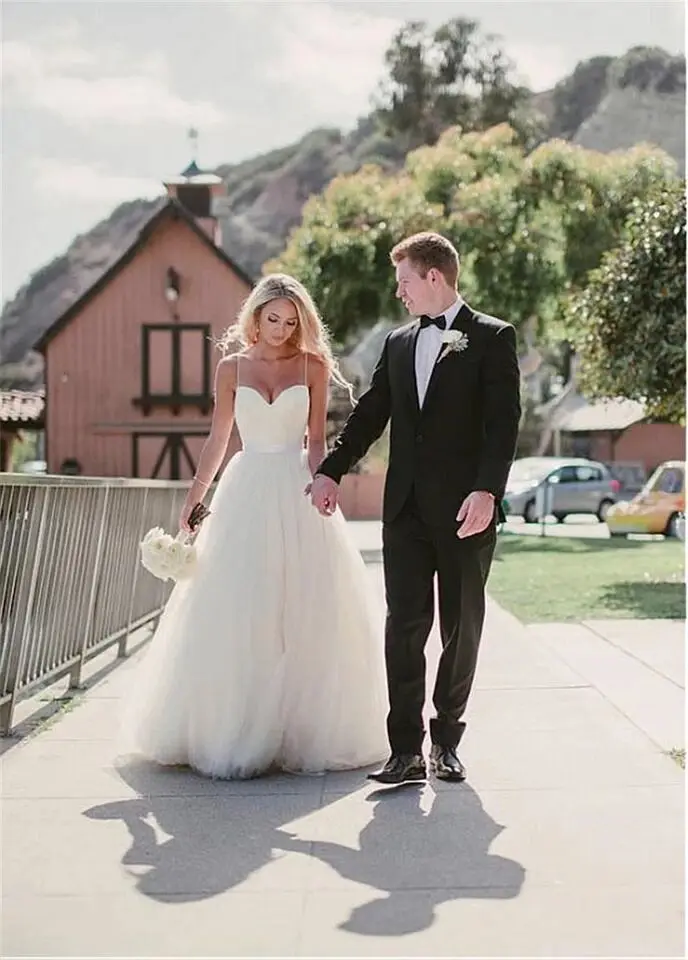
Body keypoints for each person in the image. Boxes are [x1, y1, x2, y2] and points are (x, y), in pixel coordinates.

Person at [122, 274, 387, 779]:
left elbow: (314, 441)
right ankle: (234, 726)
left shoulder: (313, 365)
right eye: (273, 320)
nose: (281, 330)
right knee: (241, 606)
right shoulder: (231, 367)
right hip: (244, 491)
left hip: (296, 487)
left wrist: (321, 481)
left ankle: (293, 730)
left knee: (301, 608)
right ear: (256, 316)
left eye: (291, 323)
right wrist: (194, 498)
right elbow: (219, 438)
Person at [310, 232, 521, 785]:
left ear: (434, 277)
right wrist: (332, 468)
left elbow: (503, 425)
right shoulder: (399, 343)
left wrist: (487, 490)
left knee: (461, 624)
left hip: (465, 511)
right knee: (403, 626)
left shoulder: (493, 338)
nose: (399, 292)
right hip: (403, 509)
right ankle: (403, 750)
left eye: (404, 280)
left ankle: (446, 740)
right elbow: (371, 413)